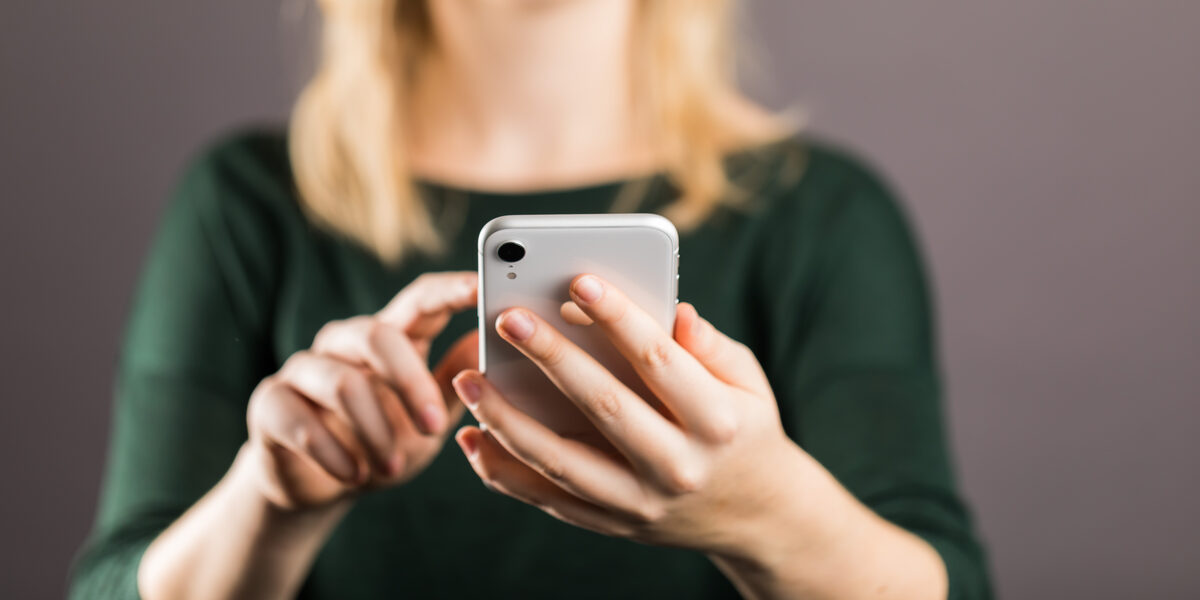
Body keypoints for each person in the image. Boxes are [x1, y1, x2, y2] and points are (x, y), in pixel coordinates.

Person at [70, 1, 991, 598]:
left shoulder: (822, 216)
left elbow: (947, 583)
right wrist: (271, 504)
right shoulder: (247, 205)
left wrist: (769, 514)